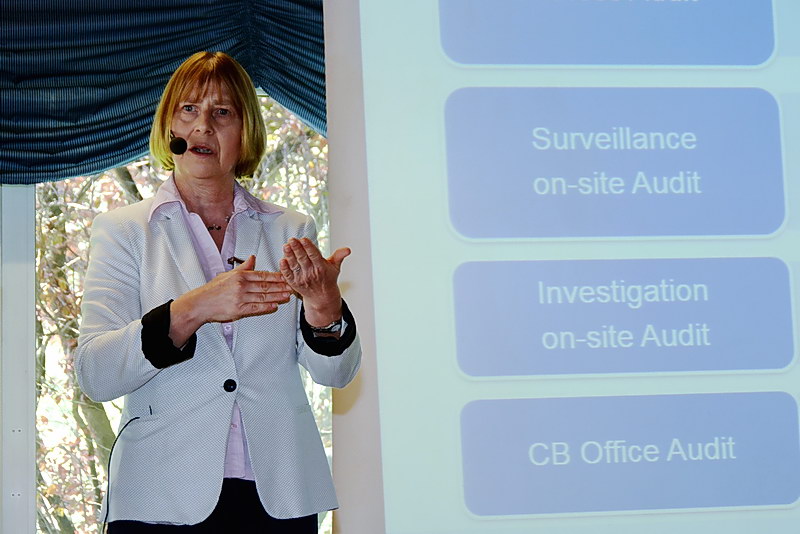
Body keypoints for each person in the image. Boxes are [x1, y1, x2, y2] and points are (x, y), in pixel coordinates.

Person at [74, 51, 361, 533]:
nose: (203, 125)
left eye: (222, 112)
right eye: (188, 109)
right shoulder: (124, 231)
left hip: (279, 493)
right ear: (170, 127)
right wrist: (194, 308)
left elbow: (336, 374)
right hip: (160, 494)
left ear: (245, 132)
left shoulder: (289, 229)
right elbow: (96, 374)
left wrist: (324, 306)